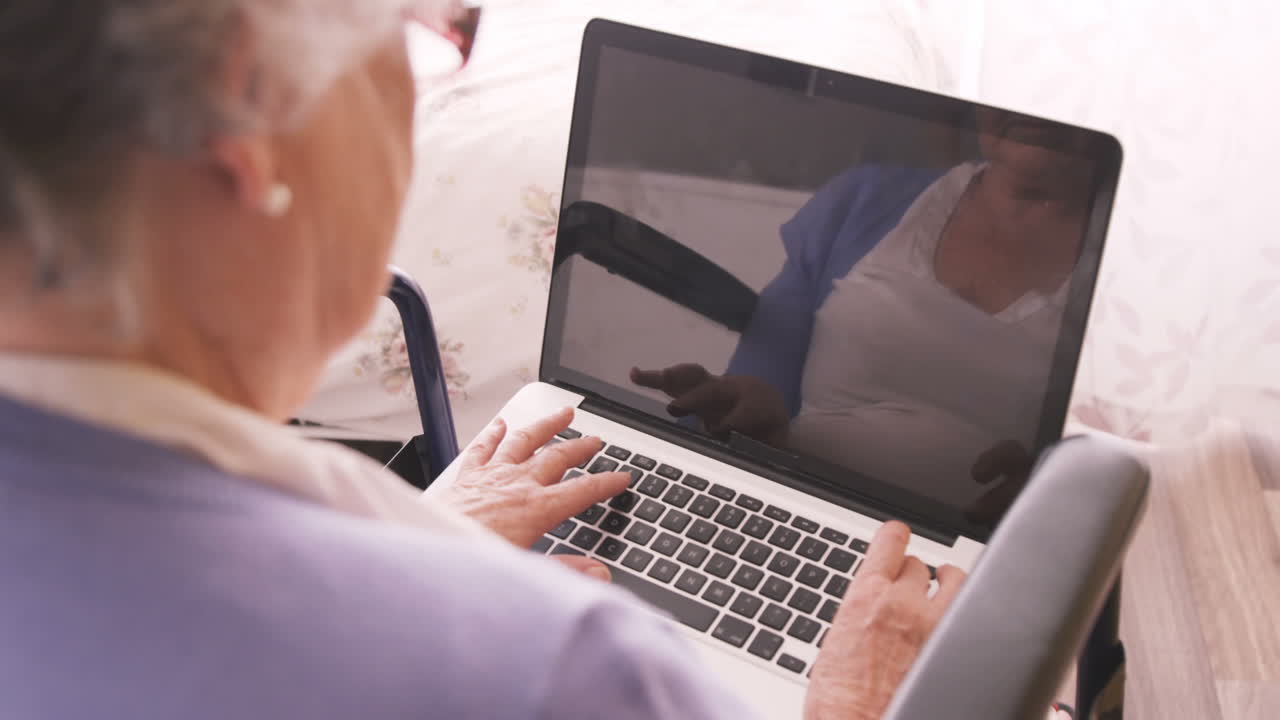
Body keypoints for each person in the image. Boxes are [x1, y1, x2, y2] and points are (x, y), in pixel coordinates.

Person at [0, 2, 982, 719]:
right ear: (248, 143)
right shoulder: (551, 668)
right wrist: (856, 703)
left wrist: (420, 537)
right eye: (411, 33)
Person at [634, 111, 1097, 529]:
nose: (1033, 103)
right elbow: (750, 399)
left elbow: (1112, 481)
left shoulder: (1136, 281)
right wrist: (746, 417)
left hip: (977, 551)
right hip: (801, 512)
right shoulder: (862, 201)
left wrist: (1056, 498)